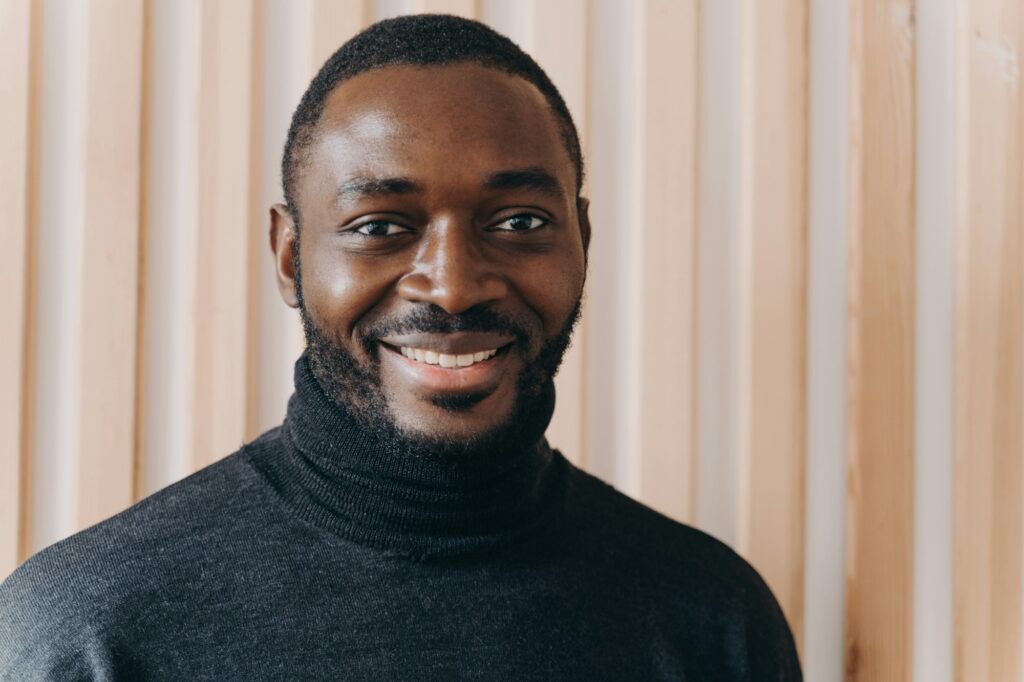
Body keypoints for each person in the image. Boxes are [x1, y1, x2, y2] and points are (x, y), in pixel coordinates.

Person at [0, 15, 801, 680]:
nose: (453, 287)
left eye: (519, 222)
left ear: (582, 240)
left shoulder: (710, 618)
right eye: (380, 226)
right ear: (289, 257)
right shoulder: (90, 632)